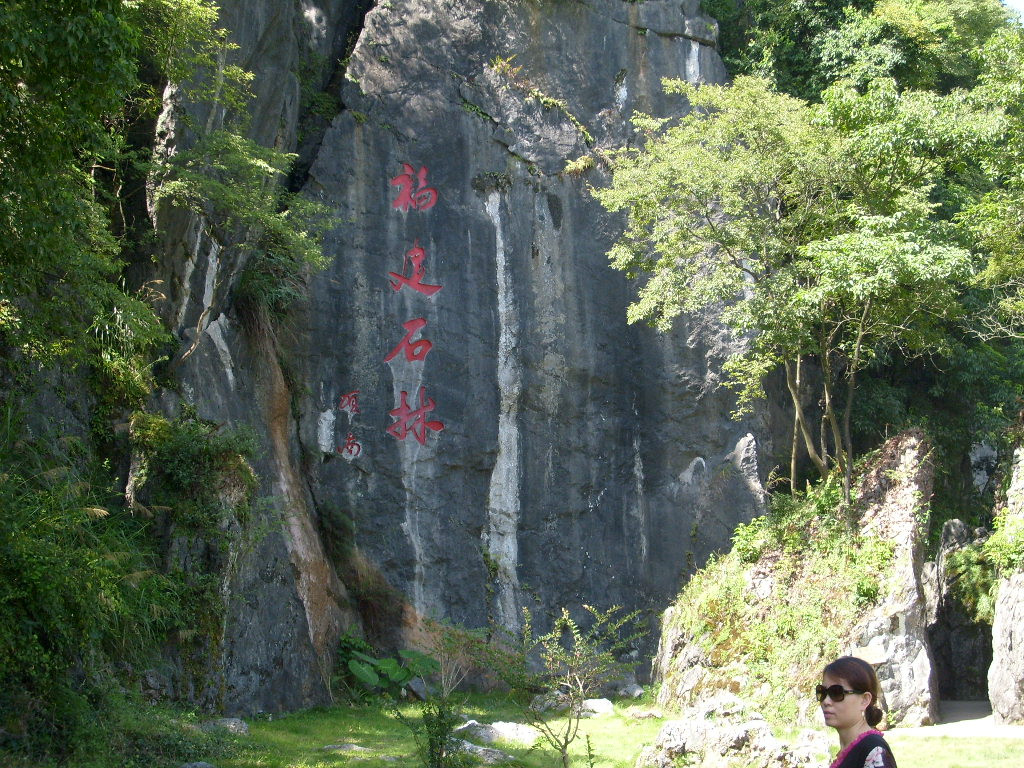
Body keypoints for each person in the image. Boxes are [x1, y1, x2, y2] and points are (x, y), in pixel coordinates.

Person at [817, 656, 897, 768]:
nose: (826, 701)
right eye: (822, 692)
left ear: (864, 700)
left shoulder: (874, 750)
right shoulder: (853, 749)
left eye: (836, 692)